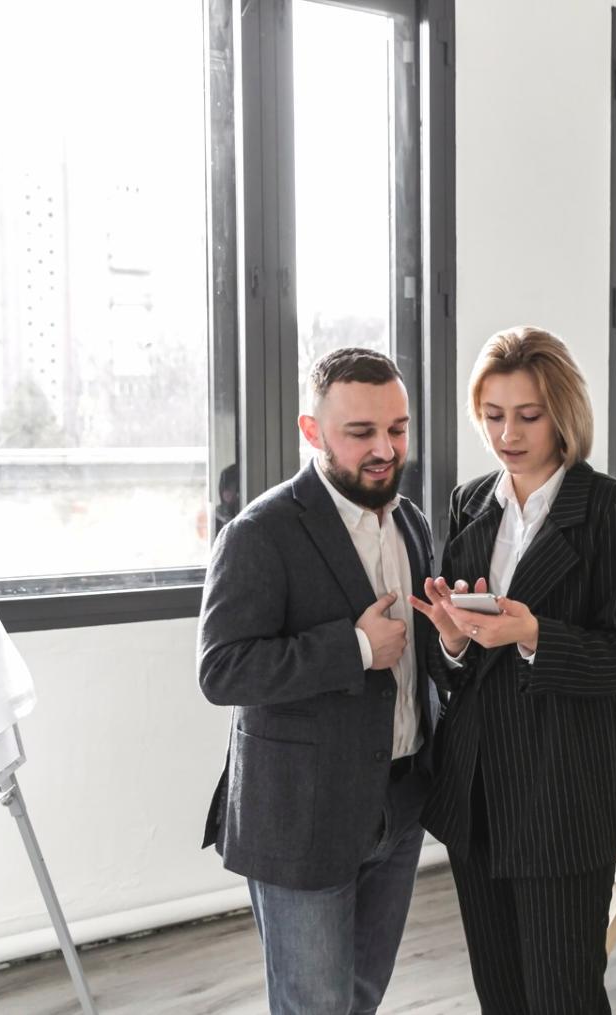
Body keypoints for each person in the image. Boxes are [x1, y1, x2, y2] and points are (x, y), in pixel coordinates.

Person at [410, 326, 616, 1014]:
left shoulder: (612, 510)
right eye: (491, 415)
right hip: (475, 790)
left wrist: (534, 633)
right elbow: (449, 661)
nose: (506, 434)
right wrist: (453, 640)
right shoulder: (468, 502)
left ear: (562, 412)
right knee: (501, 993)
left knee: (563, 994)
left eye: (527, 414)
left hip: (560, 793)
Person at [197, 348, 439, 1014]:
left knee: (361, 993)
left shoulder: (411, 522)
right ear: (312, 431)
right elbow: (222, 669)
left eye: (397, 427)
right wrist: (356, 646)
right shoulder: (259, 533)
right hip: (304, 816)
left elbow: (418, 666)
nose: (385, 447)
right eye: (361, 432)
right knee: (314, 1004)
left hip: (400, 802)